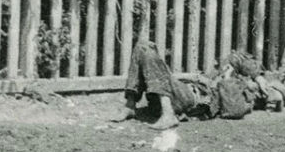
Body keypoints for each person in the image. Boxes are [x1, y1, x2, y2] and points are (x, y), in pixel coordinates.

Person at [112, 42, 270, 130]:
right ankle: (130, 105)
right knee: (143, 47)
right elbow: (237, 57)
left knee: (147, 52)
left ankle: (168, 115)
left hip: (189, 100)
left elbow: (233, 110)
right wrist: (259, 77)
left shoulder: (244, 94)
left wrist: (227, 80)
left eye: (251, 78)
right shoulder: (231, 71)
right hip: (172, 94)